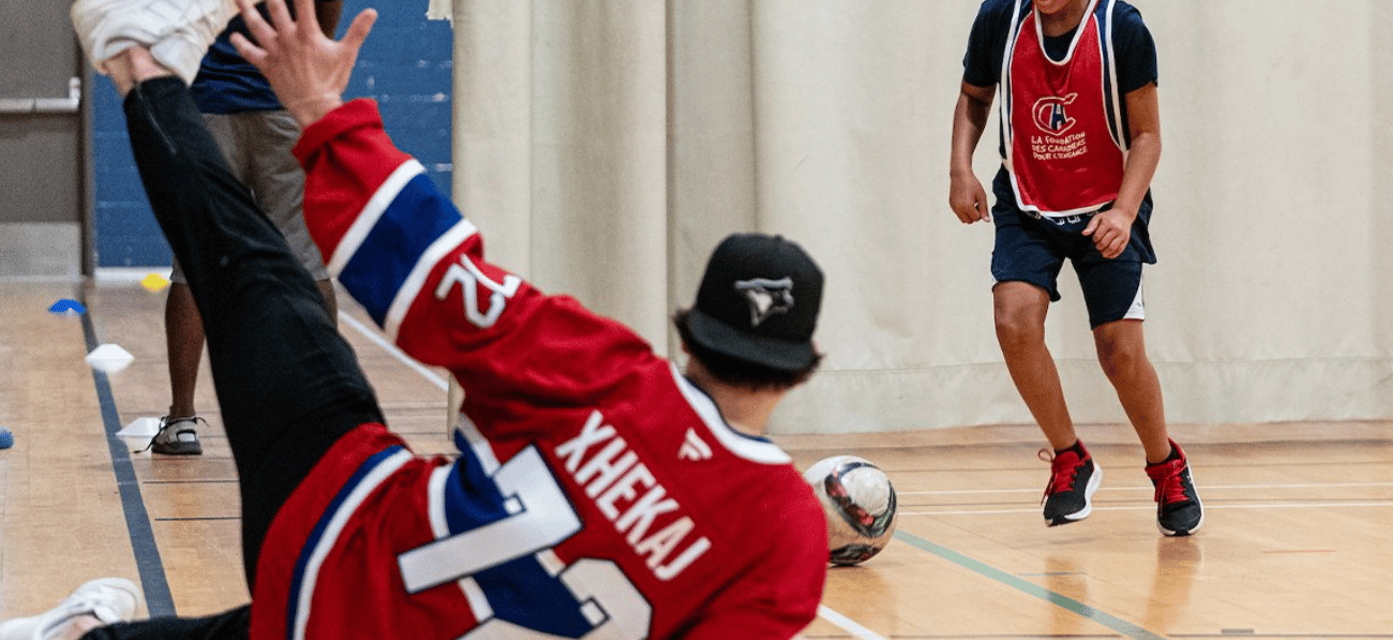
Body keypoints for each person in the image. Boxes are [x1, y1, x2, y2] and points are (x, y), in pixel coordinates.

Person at [3, 0, 830, 637]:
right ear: (805, 368)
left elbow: (435, 274)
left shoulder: (612, 372)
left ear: (685, 333)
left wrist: (330, 115)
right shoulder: (786, 537)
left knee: (254, 271)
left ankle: (137, 60)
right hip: (336, 614)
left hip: (336, 528)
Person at [947, 0, 1203, 536]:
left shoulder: (1122, 28)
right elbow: (975, 96)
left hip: (1107, 203)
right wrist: (960, 169)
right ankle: (1071, 459)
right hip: (1027, 199)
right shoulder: (1001, 17)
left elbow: (1147, 136)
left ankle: (1166, 465)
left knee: (1120, 354)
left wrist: (1126, 211)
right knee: (1012, 318)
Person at [149, 0, 342, 455]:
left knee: (196, 262)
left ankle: (181, 420)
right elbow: (323, 17)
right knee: (304, 260)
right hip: (284, 103)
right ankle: (330, 407)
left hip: (205, 110)